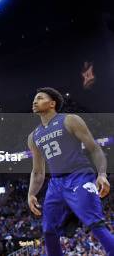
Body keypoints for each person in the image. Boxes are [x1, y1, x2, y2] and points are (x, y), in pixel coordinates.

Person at [27, 87, 114, 255]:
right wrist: (31, 193)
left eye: (39, 98)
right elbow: (38, 171)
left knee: (94, 222)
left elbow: (95, 149)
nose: (34, 101)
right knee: (48, 230)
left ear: (52, 103)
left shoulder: (69, 120)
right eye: (34, 98)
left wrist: (102, 174)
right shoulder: (33, 136)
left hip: (79, 176)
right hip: (56, 183)